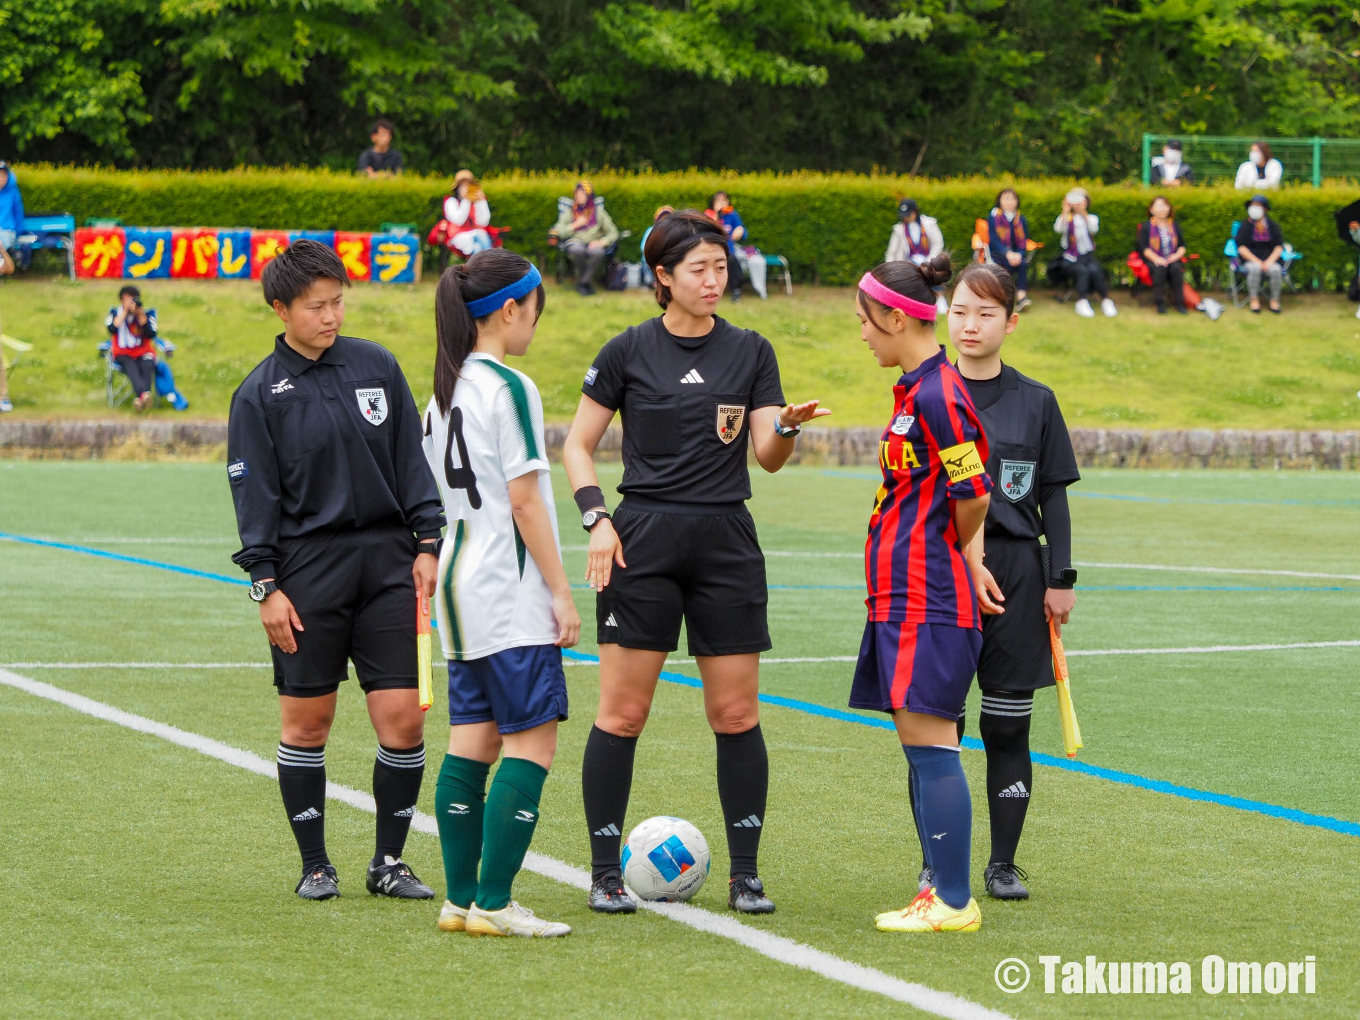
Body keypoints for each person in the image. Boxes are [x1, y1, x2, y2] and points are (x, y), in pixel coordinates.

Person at [562, 211, 829, 916]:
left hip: (725, 542)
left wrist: (788, 426)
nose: (714, 280)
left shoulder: (751, 350)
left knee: (736, 713)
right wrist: (596, 518)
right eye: (699, 269)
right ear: (664, 276)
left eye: (721, 267)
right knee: (623, 713)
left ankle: (746, 876)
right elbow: (577, 446)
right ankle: (604, 874)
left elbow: (768, 456)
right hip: (641, 540)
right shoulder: (626, 350)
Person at [226, 239, 446, 902]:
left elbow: (411, 460)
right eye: (315, 306)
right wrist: (266, 586)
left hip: (389, 566)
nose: (330, 316)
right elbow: (254, 498)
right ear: (280, 309)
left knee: (404, 720)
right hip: (306, 572)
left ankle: (389, 862)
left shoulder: (377, 365)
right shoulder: (258, 395)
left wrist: (428, 543)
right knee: (307, 726)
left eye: (337, 302)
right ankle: (316, 864)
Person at [423, 250, 580, 938]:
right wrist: (561, 592)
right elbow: (524, 502)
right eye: (536, 310)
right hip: (508, 589)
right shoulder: (509, 386)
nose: (536, 323)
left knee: (470, 743)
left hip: (459, 587)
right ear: (510, 309)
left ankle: (460, 900)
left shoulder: (441, 392)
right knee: (531, 748)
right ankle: (493, 902)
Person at [850, 253, 993, 933]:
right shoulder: (914, 392)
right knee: (920, 744)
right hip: (901, 598)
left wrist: (947, 549)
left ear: (895, 317)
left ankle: (954, 901)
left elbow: (974, 493)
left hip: (927, 598)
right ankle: (941, 892)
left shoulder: (940, 395)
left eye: (864, 320)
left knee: (933, 747)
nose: (861, 333)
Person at [943, 261, 1079, 902]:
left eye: (985, 313)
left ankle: (1002, 864)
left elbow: (1054, 497)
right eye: (959, 311)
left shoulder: (1037, 401)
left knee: (1006, 725)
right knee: (938, 731)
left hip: (1018, 573)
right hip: (942, 570)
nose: (970, 325)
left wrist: (1062, 578)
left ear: (1011, 322)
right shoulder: (927, 393)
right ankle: (937, 865)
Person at [549, 181, 621, 296]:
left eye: (582, 194)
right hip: (576, 241)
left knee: (598, 252)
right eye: (577, 194)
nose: (579, 197)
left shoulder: (599, 212)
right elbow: (558, 230)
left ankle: (583, 282)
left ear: (589, 196)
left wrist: (602, 242)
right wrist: (575, 225)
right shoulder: (570, 212)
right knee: (577, 250)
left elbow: (613, 232)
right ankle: (585, 283)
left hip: (594, 243)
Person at [1054, 188, 1116, 319]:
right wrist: (1065, 210)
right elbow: (1058, 229)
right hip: (1070, 258)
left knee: (1095, 270)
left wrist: (1083, 212)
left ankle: (1105, 300)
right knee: (1082, 271)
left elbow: (1093, 229)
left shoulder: (1091, 218)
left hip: (1087, 257)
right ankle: (1082, 301)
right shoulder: (1066, 218)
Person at [886, 199, 949, 314]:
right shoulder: (899, 229)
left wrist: (929, 260)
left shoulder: (929, 224)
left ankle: (939, 299)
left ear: (915, 212)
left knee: (935, 271)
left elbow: (938, 243)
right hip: (908, 262)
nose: (906, 218)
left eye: (908, 215)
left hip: (929, 259)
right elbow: (891, 251)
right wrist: (890, 268)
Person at [106, 285, 159, 410]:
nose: (130, 303)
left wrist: (140, 314)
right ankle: (144, 395)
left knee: (148, 363)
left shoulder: (146, 314)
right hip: (123, 352)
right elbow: (111, 329)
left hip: (142, 351)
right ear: (121, 300)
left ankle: (140, 400)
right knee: (131, 365)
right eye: (127, 300)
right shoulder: (115, 313)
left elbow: (151, 334)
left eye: (133, 299)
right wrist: (125, 312)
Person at [1137, 196, 1189, 314]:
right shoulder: (1146, 226)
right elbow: (1143, 248)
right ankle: (1160, 303)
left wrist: (1176, 256)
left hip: (1172, 259)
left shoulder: (1174, 225)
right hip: (1153, 260)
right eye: (1159, 206)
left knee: (1176, 268)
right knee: (1159, 267)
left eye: (1165, 205)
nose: (1163, 208)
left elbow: (1182, 246)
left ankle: (1179, 303)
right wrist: (1157, 258)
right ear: (1151, 209)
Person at [1235, 194, 1285, 314]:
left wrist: (1268, 262)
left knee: (1276, 269)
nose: (1254, 208)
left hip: (1269, 260)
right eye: (1252, 206)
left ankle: (1274, 301)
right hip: (1250, 260)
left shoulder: (1273, 226)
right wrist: (1258, 262)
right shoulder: (1244, 226)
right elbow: (1241, 248)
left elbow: (1279, 247)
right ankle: (1254, 300)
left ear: (1265, 209)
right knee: (1254, 268)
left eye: (1257, 206)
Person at [986, 189, 1032, 311]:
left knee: (1023, 264)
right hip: (998, 254)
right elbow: (993, 240)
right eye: (1006, 198)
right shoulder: (994, 218)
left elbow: (1023, 241)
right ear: (1000, 201)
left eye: (1013, 198)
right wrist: (1007, 253)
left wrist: (1019, 254)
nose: (1010, 202)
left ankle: (1021, 297)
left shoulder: (1021, 219)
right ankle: (1004, 296)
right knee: (1005, 265)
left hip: (1016, 255)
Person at [437, 170, 492, 258]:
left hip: (474, 236)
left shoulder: (475, 203)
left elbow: (483, 222)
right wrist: (466, 200)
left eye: (468, 185)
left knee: (477, 247)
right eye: (463, 186)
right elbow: (459, 220)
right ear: (457, 188)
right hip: (458, 237)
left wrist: (481, 202)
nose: (466, 188)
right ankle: (491, 260)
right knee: (480, 235)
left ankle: (485, 264)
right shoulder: (451, 202)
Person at [707, 191, 748, 301]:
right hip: (710, 249)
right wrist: (717, 215)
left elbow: (743, 233)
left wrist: (740, 230)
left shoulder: (732, 215)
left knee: (732, 259)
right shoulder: (708, 215)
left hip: (728, 250)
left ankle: (736, 291)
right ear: (713, 203)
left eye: (724, 200)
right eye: (719, 200)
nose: (722, 203)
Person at [640, 205, 674, 287]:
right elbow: (643, 248)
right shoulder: (650, 231)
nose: (665, 220)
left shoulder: (675, 232)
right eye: (663, 218)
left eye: (668, 217)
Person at [0, 160, 23, 278]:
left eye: (4, 175)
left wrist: (17, 232)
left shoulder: (13, 192)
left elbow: (19, 214)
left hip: (7, 231)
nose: (2, 178)